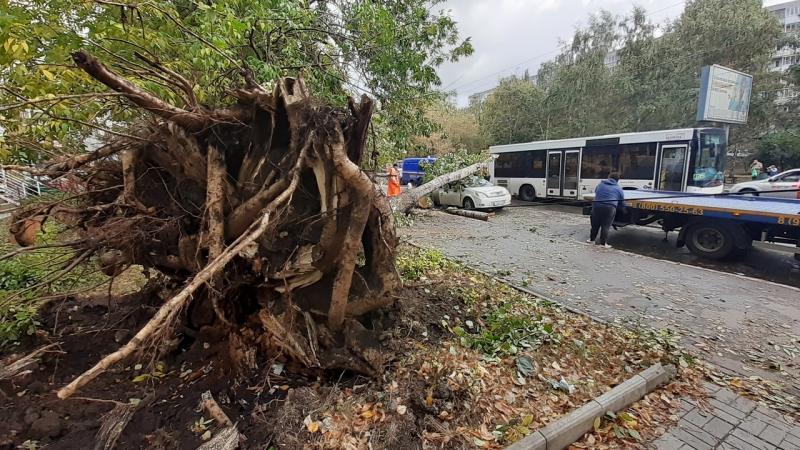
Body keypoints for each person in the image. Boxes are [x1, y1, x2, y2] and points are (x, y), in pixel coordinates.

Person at [588, 172, 625, 248]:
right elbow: (621, 201)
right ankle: (603, 244)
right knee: (605, 225)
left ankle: (592, 240)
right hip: (610, 208)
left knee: (595, 224)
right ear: (617, 180)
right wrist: (623, 209)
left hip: (597, 205)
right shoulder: (618, 188)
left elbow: (596, 192)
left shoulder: (600, 185)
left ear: (608, 177)